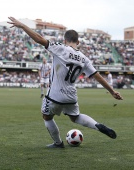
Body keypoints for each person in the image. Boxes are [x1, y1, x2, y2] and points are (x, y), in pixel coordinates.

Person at [8, 17, 123, 148]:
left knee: (47, 116)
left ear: (65, 40)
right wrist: (112, 92)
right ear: (78, 42)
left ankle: (58, 143)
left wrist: (23, 26)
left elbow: (39, 39)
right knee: (75, 117)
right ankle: (97, 125)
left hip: (55, 94)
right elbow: (98, 77)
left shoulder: (61, 48)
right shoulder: (84, 58)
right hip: (71, 95)